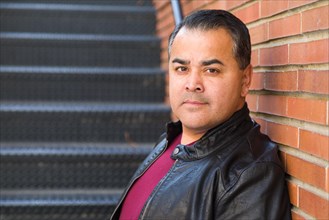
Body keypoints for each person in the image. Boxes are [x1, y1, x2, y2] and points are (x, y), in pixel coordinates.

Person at [111, 9, 291, 220]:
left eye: (211, 70)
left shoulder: (249, 172)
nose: (192, 84)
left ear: (245, 80)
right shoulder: (172, 137)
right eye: (181, 68)